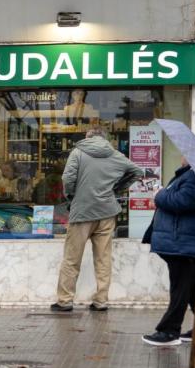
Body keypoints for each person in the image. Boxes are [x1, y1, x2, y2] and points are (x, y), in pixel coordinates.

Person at [51, 127, 143, 312]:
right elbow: (137, 172)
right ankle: (101, 301)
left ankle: (65, 300)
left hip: (82, 212)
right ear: (104, 138)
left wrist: (71, 196)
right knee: (103, 259)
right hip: (107, 213)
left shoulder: (78, 152)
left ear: (88, 137)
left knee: (71, 258)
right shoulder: (115, 154)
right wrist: (116, 189)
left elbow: (67, 178)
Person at [141, 158, 195, 346]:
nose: (181, 158)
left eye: (185, 154)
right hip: (184, 241)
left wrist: (159, 195)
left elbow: (182, 201)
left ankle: (169, 332)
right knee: (193, 288)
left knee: (181, 288)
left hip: (184, 242)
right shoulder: (193, 175)